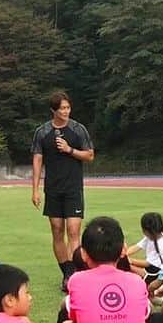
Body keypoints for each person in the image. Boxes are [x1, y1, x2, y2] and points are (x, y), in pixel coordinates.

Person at [31, 91, 95, 292]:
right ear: (53, 110)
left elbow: (90, 155)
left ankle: (75, 272)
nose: (66, 111)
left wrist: (70, 150)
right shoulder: (42, 132)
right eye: (62, 108)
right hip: (53, 188)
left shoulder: (78, 130)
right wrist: (35, 189)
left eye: (68, 108)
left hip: (73, 188)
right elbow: (37, 160)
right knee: (57, 230)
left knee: (74, 231)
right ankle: (67, 272)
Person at [126, 212, 163, 283]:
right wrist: (124, 254)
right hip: (151, 268)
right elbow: (137, 247)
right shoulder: (152, 236)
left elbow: (148, 263)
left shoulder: (161, 244)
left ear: (145, 230)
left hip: (156, 273)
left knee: (124, 266)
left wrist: (129, 260)